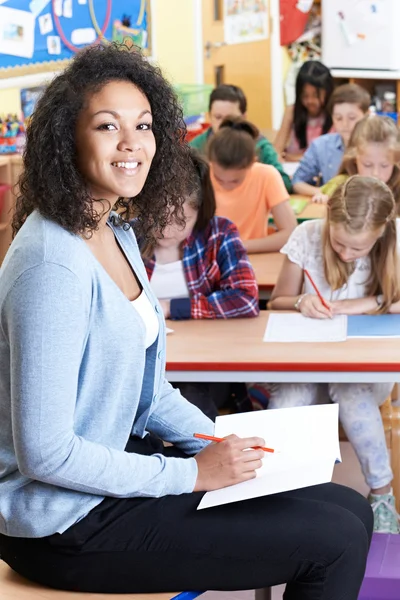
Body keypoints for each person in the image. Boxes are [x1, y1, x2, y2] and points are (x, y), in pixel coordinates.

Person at [0, 43, 373, 598]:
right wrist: (195, 473)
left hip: (115, 480)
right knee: (334, 539)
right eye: (107, 126)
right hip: (65, 523)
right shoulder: (52, 264)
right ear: (66, 139)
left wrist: (222, 441)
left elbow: (148, 394)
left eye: (144, 125)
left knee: (347, 506)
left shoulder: (117, 232)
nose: (132, 144)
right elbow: (47, 453)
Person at [269, 175, 400, 534]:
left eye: (357, 249)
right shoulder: (308, 235)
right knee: (289, 398)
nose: (344, 254)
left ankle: (382, 494)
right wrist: (301, 301)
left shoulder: (396, 239)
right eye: (339, 242)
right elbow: (276, 301)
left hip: (363, 372)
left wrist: (368, 302)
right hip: (307, 364)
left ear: (381, 231)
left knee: (350, 391)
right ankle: (274, 494)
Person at [140, 148, 258, 419]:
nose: (167, 230)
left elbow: (245, 299)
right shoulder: (126, 237)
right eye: (157, 218)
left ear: (200, 210)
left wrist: (170, 307)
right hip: (142, 365)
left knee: (190, 404)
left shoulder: (218, 233)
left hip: (202, 367)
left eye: (181, 220)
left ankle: (204, 459)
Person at [208, 117, 297, 254]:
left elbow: (290, 233)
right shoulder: (200, 177)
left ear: (252, 163)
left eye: (235, 181)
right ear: (211, 162)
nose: (227, 185)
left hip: (253, 259)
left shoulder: (267, 176)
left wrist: (237, 246)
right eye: (219, 179)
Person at [190, 83, 292, 192]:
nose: (223, 124)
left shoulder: (259, 146)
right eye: (218, 117)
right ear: (209, 116)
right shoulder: (196, 147)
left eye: (230, 118)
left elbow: (285, 183)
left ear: (244, 117)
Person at [292, 83, 371, 196]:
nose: (345, 124)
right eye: (338, 118)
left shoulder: (378, 145)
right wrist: (321, 193)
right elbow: (297, 181)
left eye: (352, 118)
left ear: (366, 115)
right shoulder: (321, 145)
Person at [313, 114, 400, 205]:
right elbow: (320, 193)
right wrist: (321, 197)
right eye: (367, 164)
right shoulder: (339, 185)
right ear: (355, 159)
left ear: (395, 161)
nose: (376, 173)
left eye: (384, 165)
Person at [274, 60, 334, 162]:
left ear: (327, 92)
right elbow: (276, 151)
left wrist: (293, 157)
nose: (310, 101)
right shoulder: (292, 112)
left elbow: (330, 158)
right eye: (305, 95)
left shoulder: (335, 114)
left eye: (316, 95)